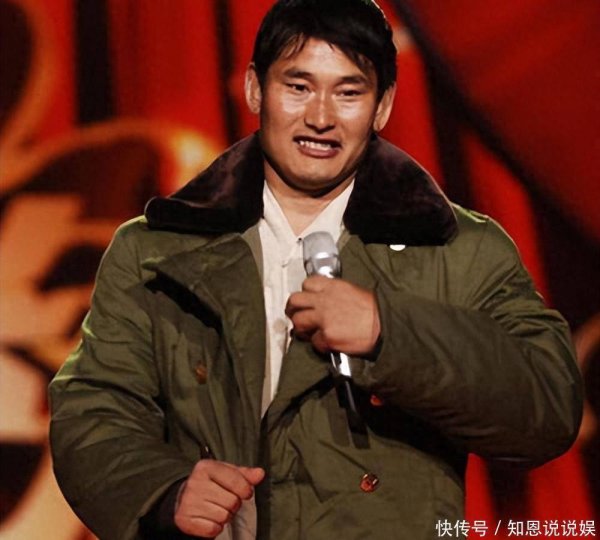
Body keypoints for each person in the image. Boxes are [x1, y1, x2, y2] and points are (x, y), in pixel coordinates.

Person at [49, 0, 583, 538]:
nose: (321, 117)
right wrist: (164, 492)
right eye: (298, 87)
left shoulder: (457, 248)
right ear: (255, 89)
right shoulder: (155, 251)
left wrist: (390, 333)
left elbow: (549, 403)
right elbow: (94, 408)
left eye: (348, 93)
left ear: (382, 106)